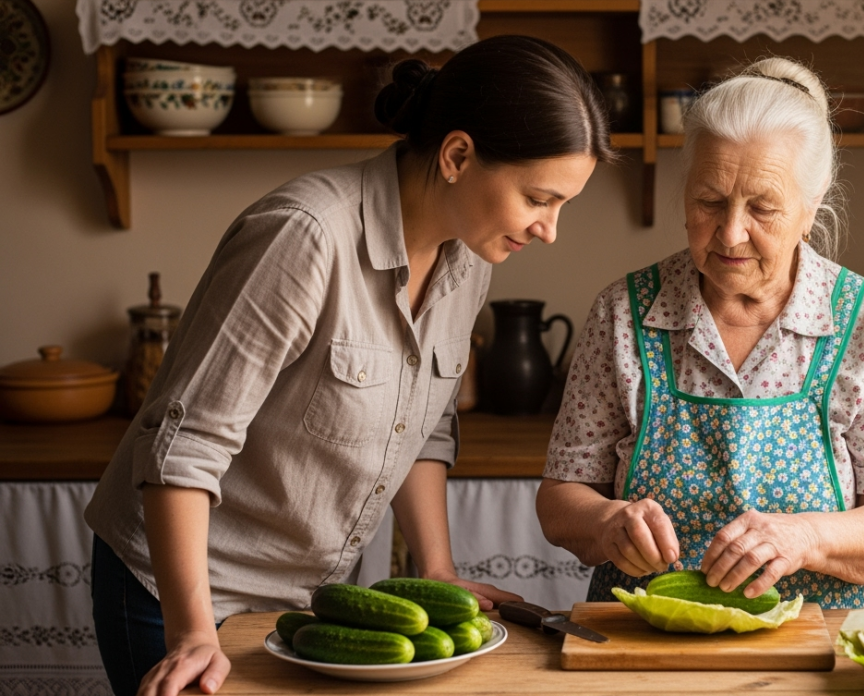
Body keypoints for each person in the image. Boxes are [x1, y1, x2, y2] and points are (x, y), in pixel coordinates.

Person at [85, 35, 614, 696]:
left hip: (312, 598)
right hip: (180, 591)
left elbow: (420, 428)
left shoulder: (471, 256)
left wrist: (439, 569)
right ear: (457, 155)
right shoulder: (303, 236)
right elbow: (182, 450)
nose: (549, 228)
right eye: (539, 199)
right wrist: (193, 632)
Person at [536, 57, 864, 609]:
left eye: (764, 208)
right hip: (649, 643)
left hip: (825, 644)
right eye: (709, 201)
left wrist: (807, 538)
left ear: (811, 205)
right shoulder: (623, 314)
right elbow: (560, 500)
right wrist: (607, 521)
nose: (730, 232)